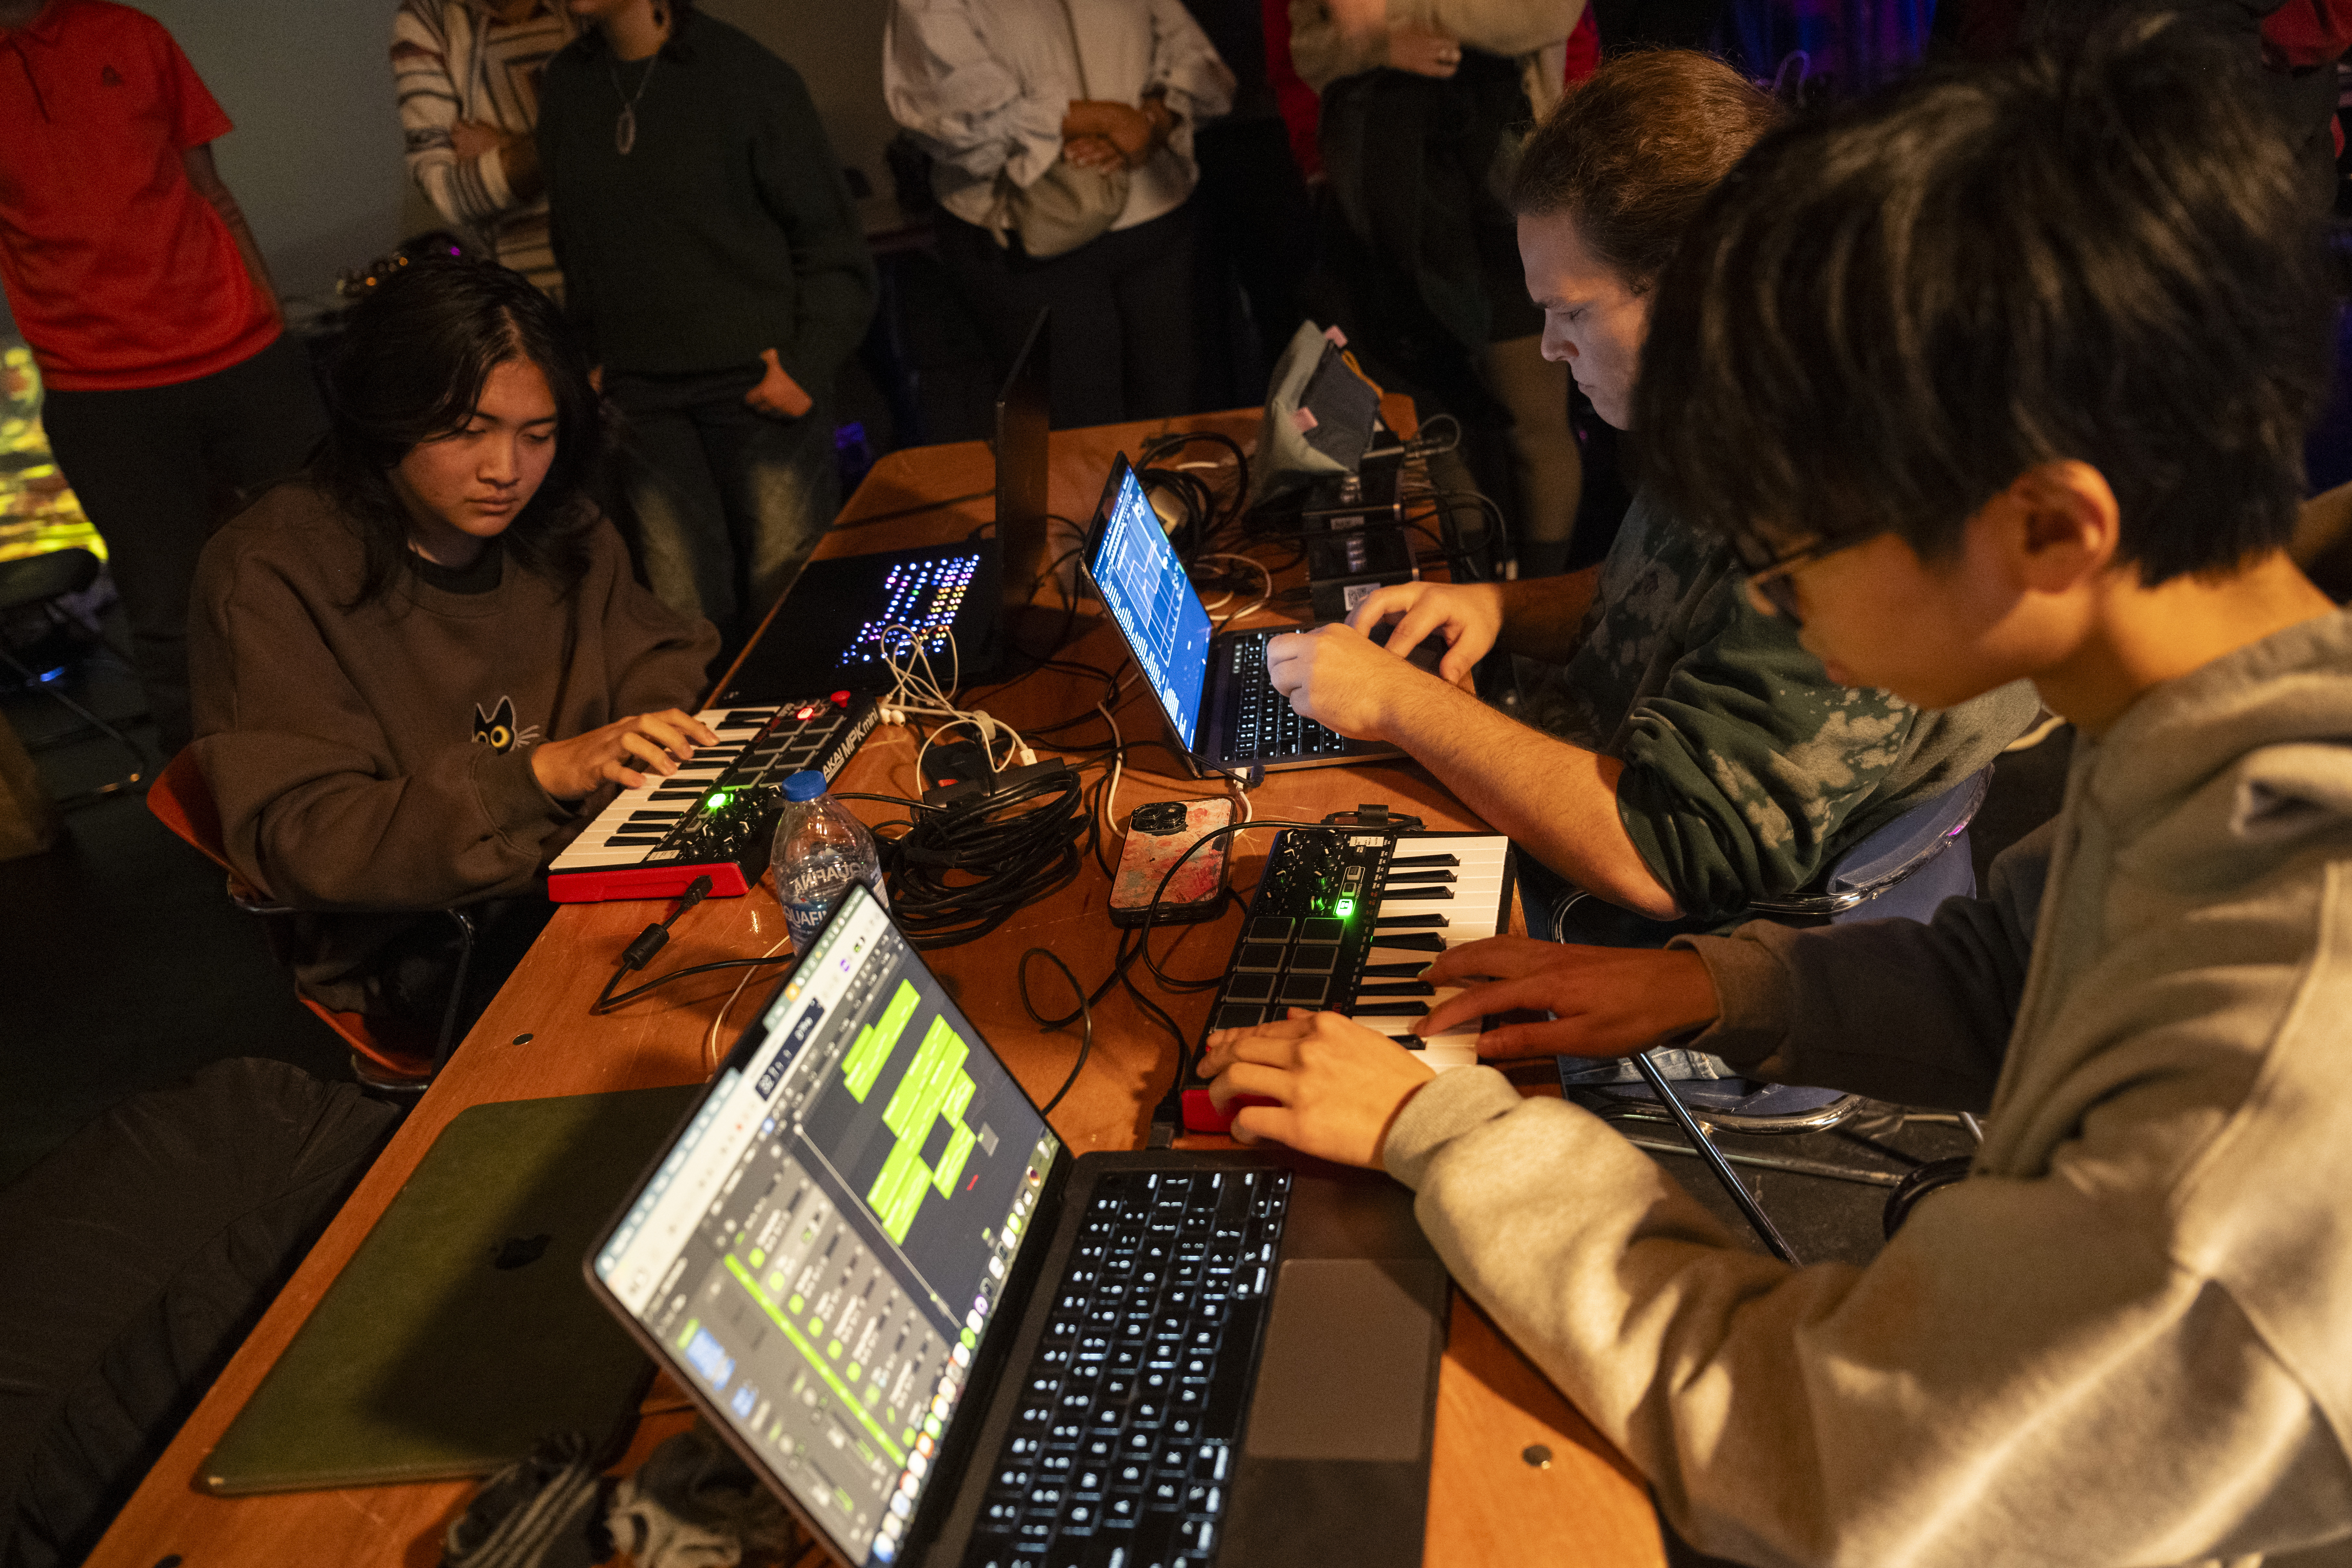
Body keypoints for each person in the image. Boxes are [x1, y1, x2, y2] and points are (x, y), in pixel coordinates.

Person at [1206, 23, 2352, 1563]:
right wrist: (1706, 987)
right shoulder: (2212, 722)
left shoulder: (2266, 1077)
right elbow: (2008, 967)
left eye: (1790, 534)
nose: (1754, 578)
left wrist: (1450, 1132)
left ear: (2048, 527)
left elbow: (1846, 1469)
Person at [1267, 51, 2038, 943]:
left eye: (1574, 312)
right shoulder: (1743, 400)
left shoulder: (1835, 505)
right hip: (1606, 808)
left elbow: (1672, 854)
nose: (1551, 347)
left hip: (1673, 948)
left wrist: (1403, 705)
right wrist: (1500, 607)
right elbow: (1672, 602)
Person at [188, 259, 719, 1039]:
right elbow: (308, 837)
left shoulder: (563, 530)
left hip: (586, 871)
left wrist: (638, 744)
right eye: (468, 433)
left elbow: (658, 652)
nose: (506, 472)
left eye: (537, 436)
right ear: (387, 415)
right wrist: (538, 775)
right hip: (428, 940)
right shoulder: (272, 571)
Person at [0, 0, 326, 757]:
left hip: (240, 351)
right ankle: (220, 822)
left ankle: (400, 761)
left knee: (339, 559)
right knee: (172, 620)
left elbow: (207, 184)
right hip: (102, 390)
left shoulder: (128, 34)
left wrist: (271, 323)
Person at [538, 0, 876, 643]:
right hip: (642, 396)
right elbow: (576, 240)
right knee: (685, 612)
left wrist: (806, 365)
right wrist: (589, 354)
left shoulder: (746, 75)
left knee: (790, 601)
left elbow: (834, 245)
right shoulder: (569, 85)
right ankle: (712, 744)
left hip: (759, 385)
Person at [1289, 0, 1586, 574]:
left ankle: (1538, 601)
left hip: (1503, 191)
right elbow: (1308, 50)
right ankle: (1470, 595)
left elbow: (1549, 15)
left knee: (1533, 421)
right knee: (1431, 429)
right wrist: (1378, 46)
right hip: (1386, 204)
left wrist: (1392, 16)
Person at [883, 0, 1234, 429]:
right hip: (1026, 229)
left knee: (1178, 416)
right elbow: (947, 102)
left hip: (1156, 215)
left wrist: (1156, 119)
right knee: (1077, 425)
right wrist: (1103, 118)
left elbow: (1190, 51)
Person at [391, 0, 579, 297]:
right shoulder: (428, 15)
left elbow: (631, 138)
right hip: (525, 299)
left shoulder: (587, 6)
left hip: (622, 270)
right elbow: (446, 194)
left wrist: (503, 147)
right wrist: (573, 148)